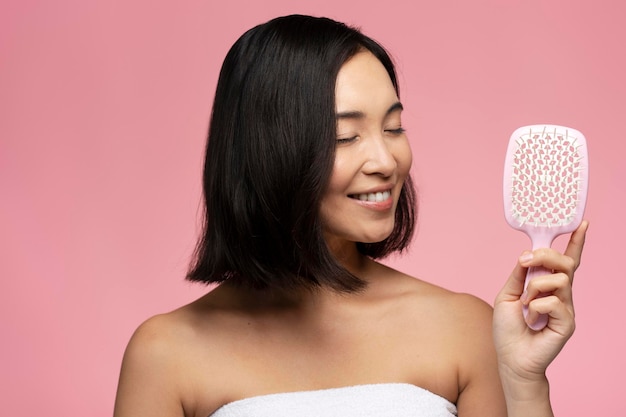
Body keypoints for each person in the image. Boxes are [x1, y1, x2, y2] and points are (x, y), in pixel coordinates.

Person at [113, 14, 588, 417]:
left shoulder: (465, 328)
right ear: (267, 152)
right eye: (346, 136)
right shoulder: (165, 355)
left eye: (393, 127)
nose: (386, 161)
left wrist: (524, 381)